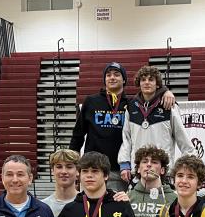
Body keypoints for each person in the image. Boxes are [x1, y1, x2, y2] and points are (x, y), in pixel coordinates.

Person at [70, 62, 174, 191]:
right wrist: (73, 166)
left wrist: (165, 91)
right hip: (93, 168)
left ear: (124, 79)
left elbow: (150, 95)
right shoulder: (91, 101)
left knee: (119, 203)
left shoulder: (132, 105)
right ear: (104, 79)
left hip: (120, 171)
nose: (112, 77)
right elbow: (78, 135)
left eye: (116, 74)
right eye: (108, 75)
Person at [118, 65, 194, 181]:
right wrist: (124, 164)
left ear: (157, 84)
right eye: (143, 79)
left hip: (163, 172)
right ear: (139, 83)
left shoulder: (169, 106)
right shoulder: (131, 107)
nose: (146, 82)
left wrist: (188, 167)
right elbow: (126, 138)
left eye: (151, 79)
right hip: (138, 172)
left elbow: (183, 139)